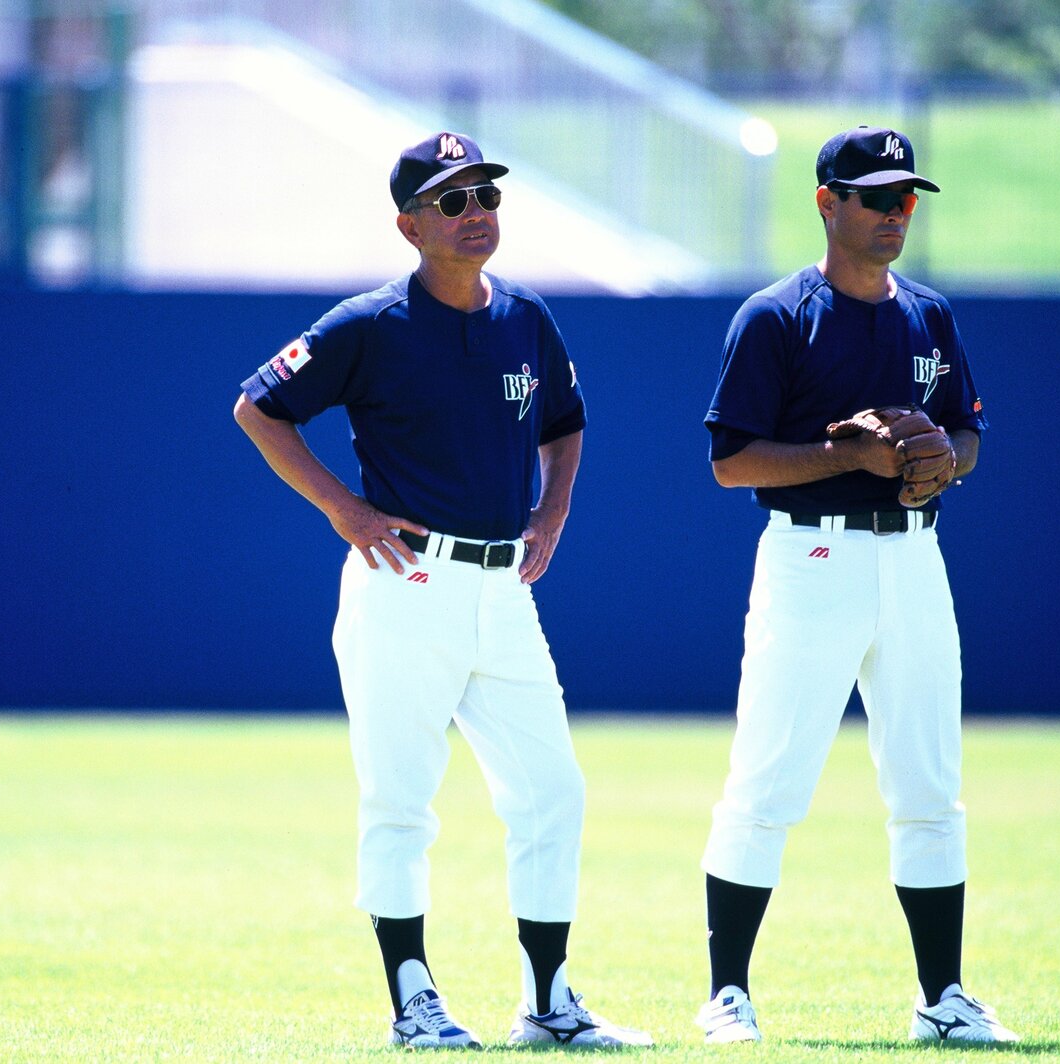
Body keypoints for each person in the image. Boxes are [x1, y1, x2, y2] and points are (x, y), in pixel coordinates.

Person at [233, 131, 650, 1050]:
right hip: (403, 580)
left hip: (503, 591)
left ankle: (549, 1004)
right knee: (400, 800)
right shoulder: (367, 325)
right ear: (409, 224)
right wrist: (343, 508)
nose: (477, 216)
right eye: (453, 202)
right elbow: (258, 406)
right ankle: (413, 1002)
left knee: (553, 791)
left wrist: (552, 516)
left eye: (487, 198)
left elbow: (567, 422)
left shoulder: (527, 317)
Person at [694, 125, 1020, 1046]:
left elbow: (966, 435)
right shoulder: (776, 316)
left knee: (929, 783)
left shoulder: (929, 314)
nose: (893, 213)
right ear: (827, 203)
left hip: (915, 557)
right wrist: (853, 453)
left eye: (905, 197)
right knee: (768, 780)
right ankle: (728, 993)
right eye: (875, 197)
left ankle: (943, 998)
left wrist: (934, 464)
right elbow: (730, 462)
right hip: (814, 556)